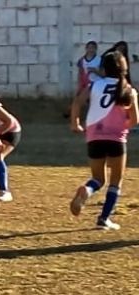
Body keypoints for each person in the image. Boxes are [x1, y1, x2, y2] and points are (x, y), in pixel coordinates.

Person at [69, 51, 139, 230]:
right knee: (116, 182)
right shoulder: (129, 90)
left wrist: (75, 123)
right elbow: (135, 119)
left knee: (98, 178)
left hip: (94, 136)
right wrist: (124, 125)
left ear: (103, 69)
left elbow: (77, 101)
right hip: (117, 139)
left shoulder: (94, 85)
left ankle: (88, 190)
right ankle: (104, 219)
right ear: (124, 68)